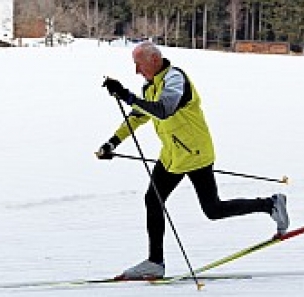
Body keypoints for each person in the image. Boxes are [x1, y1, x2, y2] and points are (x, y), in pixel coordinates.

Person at [98, 41, 289, 279]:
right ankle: (155, 262)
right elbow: (138, 116)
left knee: (213, 210)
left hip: (194, 154)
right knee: (153, 200)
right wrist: (112, 142)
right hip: (172, 156)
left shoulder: (176, 80)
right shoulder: (150, 87)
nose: (137, 71)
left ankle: (270, 204)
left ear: (154, 60)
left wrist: (127, 95)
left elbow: (163, 109)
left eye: (139, 65)